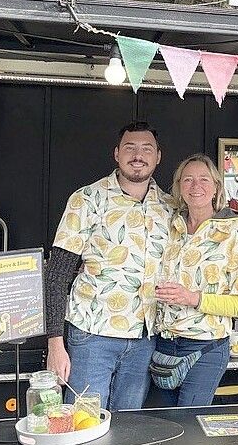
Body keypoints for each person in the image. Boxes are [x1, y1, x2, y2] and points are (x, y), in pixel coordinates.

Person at [44, 121, 173, 410]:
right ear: (116, 154)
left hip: (145, 339)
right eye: (130, 148)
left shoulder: (169, 206)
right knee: (83, 424)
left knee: (127, 427)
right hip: (92, 336)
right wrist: (55, 344)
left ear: (158, 156)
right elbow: (57, 275)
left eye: (146, 149)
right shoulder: (86, 199)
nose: (137, 155)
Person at [153, 154, 238, 407]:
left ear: (216, 187)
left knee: (190, 423)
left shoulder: (237, 237)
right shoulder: (169, 228)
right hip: (162, 345)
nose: (195, 186)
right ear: (178, 187)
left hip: (206, 347)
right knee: (164, 425)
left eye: (203, 179)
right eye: (187, 179)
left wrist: (192, 298)